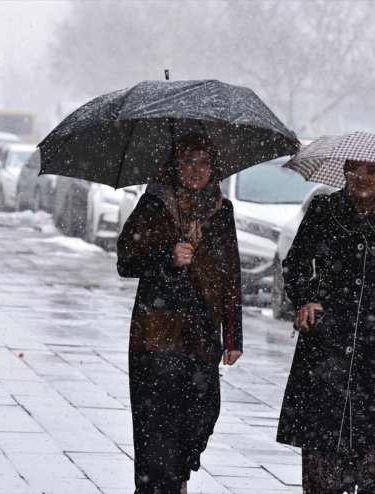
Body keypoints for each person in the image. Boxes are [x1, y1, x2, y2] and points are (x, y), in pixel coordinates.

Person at [276, 160, 375, 494]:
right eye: (356, 170)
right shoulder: (325, 209)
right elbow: (296, 261)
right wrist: (304, 300)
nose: (363, 178)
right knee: (323, 445)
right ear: (345, 172)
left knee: (372, 451)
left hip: (374, 344)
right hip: (328, 338)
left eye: (372, 171)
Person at [116, 134, 243, 494]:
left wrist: (233, 337)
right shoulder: (155, 204)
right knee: (156, 426)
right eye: (188, 161)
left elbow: (231, 273)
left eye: (203, 162)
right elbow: (126, 260)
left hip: (202, 334)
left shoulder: (222, 210)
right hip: (155, 334)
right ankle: (161, 485)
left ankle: (176, 475)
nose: (196, 170)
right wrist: (167, 257)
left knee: (203, 414)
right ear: (175, 164)